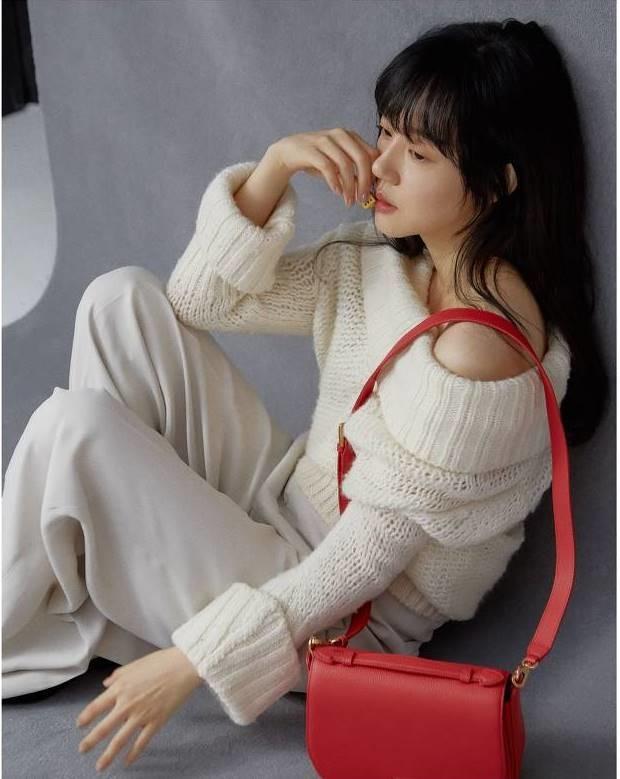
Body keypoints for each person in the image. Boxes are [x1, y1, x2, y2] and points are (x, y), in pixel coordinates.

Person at [3, 16, 608, 770]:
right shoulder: (389, 258)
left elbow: (362, 559)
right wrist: (275, 166)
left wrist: (192, 660)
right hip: (284, 508)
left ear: (499, 182)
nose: (382, 166)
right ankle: (90, 561)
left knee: (75, 427)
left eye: (418, 154)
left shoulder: (480, 349)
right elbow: (199, 301)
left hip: (340, 615)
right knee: (119, 300)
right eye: (384, 134)